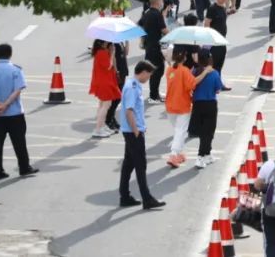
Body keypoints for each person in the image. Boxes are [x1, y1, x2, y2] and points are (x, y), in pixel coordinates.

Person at [0, 43, 37, 180]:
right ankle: (24, 168)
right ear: (10, 54)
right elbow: (17, 91)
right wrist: (6, 104)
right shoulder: (15, 70)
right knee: (19, 142)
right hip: (14, 113)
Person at [119, 60, 165, 209]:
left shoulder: (132, 84)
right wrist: (137, 130)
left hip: (131, 131)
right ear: (143, 72)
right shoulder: (132, 87)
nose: (149, 78)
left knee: (129, 164)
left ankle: (124, 195)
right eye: (149, 75)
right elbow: (129, 111)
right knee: (140, 165)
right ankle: (147, 198)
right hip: (133, 133)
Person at [165, 48, 211, 168]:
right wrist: (205, 72)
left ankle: (178, 153)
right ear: (185, 57)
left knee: (178, 130)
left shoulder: (170, 70)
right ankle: (173, 154)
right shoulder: (184, 71)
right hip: (182, 106)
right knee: (181, 131)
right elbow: (193, 83)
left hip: (170, 106)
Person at [190, 48, 224, 168]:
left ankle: (207, 154)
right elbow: (218, 89)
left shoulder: (195, 71)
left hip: (197, 104)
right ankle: (200, 156)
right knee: (208, 132)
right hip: (210, 104)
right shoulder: (214, 73)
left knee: (202, 131)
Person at [138, 0, 169, 101]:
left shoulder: (146, 13)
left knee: (154, 70)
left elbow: (140, 24)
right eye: (161, 1)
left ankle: (155, 92)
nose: (162, 3)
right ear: (157, 2)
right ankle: (153, 96)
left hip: (149, 46)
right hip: (156, 47)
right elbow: (164, 30)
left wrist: (144, 38)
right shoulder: (156, 14)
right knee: (158, 71)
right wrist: (172, 34)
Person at [90, 39, 122, 138]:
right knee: (106, 105)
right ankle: (98, 129)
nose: (109, 45)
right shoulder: (102, 53)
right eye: (107, 43)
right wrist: (112, 53)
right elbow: (108, 66)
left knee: (102, 104)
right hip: (104, 82)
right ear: (103, 43)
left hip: (103, 81)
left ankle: (101, 126)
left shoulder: (99, 52)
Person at [204, 0, 231, 77]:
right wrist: (209, 39)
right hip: (214, 41)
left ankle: (218, 82)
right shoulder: (212, 8)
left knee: (220, 62)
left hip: (222, 40)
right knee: (214, 64)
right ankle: (213, 83)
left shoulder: (223, 8)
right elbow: (207, 23)